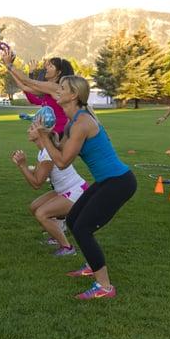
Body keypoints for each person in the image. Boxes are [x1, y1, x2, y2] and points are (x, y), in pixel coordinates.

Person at [35, 75, 137, 300]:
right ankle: (92, 264)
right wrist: (46, 135)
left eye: (62, 88)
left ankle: (105, 287)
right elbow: (59, 149)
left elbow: (61, 162)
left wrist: (44, 137)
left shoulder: (81, 123)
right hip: (106, 181)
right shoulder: (73, 122)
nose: (57, 91)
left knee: (82, 228)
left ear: (73, 96)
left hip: (119, 182)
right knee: (72, 221)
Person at [11, 123, 89, 256]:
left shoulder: (47, 153)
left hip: (76, 191)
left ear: (42, 133)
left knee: (41, 213)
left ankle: (67, 248)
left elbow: (37, 184)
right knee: (34, 207)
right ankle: (56, 234)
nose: (27, 130)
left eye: (31, 128)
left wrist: (23, 165)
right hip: (63, 190)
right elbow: (37, 173)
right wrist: (27, 167)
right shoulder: (44, 150)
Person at [1, 49, 74, 137]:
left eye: (51, 66)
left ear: (58, 72)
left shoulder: (54, 87)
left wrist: (10, 65)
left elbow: (26, 80)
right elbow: (24, 86)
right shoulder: (50, 90)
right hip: (54, 132)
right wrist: (8, 67)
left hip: (59, 132)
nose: (46, 68)